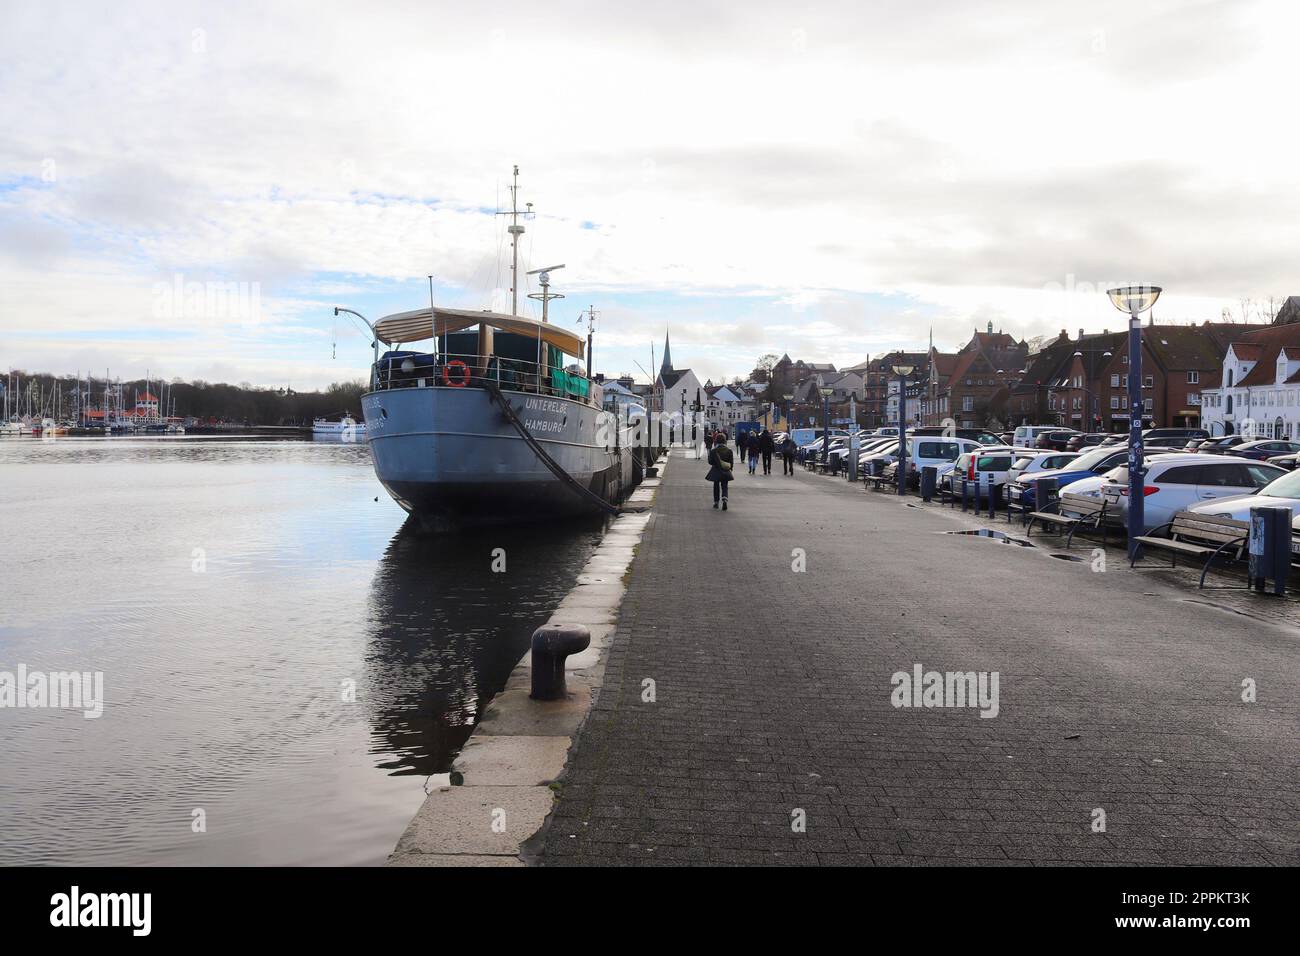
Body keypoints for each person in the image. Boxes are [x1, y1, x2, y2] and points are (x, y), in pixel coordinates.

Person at [706, 434, 734, 510]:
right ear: (725, 441)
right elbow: (731, 462)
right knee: (725, 486)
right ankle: (724, 499)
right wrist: (730, 469)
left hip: (716, 471)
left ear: (716, 440)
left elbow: (710, 461)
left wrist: (716, 463)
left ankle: (716, 502)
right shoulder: (729, 451)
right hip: (725, 471)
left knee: (716, 486)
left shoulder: (713, 451)